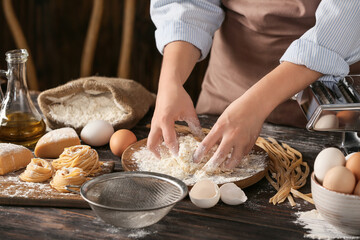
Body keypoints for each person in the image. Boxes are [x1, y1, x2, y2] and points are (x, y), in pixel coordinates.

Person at [147, 0, 360, 170]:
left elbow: (342, 24)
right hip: (224, 94)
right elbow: (188, 4)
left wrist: (256, 104)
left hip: (323, 113)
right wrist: (171, 81)